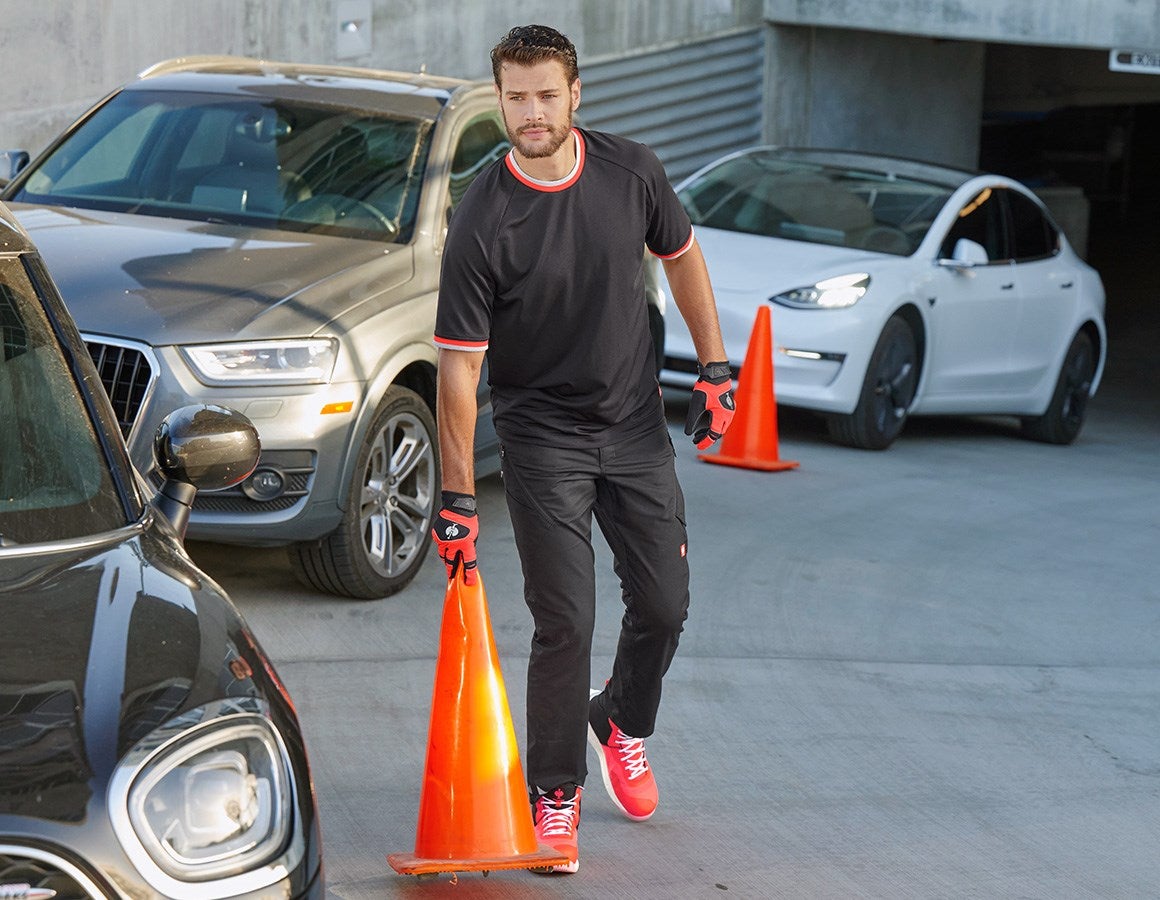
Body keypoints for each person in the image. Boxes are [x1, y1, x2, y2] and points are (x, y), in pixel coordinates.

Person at [431, 23, 735, 875]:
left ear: (576, 96)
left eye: (545, 95)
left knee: (666, 605)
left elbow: (681, 259)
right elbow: (458, 374)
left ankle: (620, 724)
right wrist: (456, 498)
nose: (531, 112)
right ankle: (554, 792)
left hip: (635, 424)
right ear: (499, 100)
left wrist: (713, 368)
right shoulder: (483, 219)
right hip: (541, 436)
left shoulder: (631, 171)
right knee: (565, 620)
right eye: (515, 97)